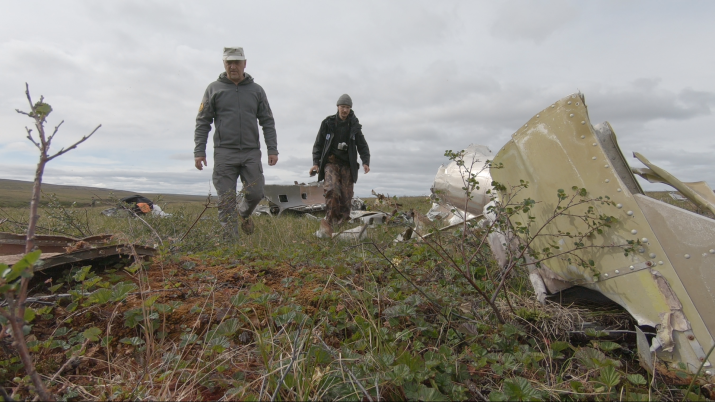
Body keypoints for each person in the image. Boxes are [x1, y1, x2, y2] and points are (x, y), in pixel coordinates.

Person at [194, 47, 278, 241]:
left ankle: (245, 213)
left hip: (250, 152)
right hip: (224, 153)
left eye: (236, 62)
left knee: (256, 193)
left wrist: (272, 148)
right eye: (228, 62)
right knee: (226, 201)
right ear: (224, 64)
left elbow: (267, 121)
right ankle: (230, 247)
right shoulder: (214, 88)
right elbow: (203, 121)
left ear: (244, 64)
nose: (233, 66)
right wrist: (199, 151)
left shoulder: (257, 90)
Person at [310, 94, 370, 238]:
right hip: (331, 162)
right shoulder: (328, 123)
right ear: (337, 107)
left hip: (348, 165)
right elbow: (318, 144)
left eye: (348, 108)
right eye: (343, 107)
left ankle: (342, 224)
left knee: (346, 195)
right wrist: (315, 163)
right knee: (332, 189)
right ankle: (330, 222)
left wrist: (365, 161)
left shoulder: (354, 126)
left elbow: (362, 145)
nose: (345, 110)